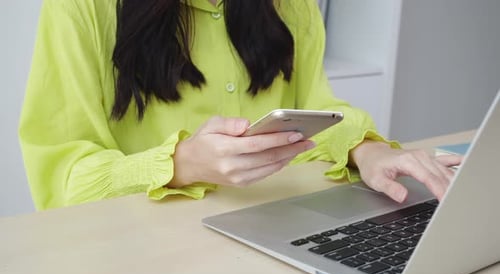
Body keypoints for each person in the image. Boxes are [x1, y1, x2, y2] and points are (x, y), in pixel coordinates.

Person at [19, 0, 462, 210]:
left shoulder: (292, 7)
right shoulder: (81, 8)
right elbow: (63, 177)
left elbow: (319, 107)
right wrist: (179, 164)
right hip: (138, 249)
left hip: (274, 226)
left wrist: (369, 150)